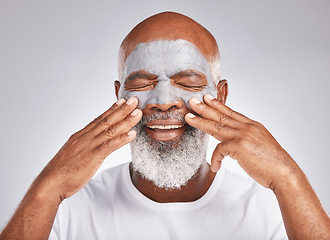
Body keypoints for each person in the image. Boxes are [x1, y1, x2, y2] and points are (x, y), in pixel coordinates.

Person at [1, 11, 329, 240]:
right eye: (142, 83)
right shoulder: (65, 208)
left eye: (187, 81)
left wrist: (289, 177)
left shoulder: (272, 210)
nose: (163, 100)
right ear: (119, 96)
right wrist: (48, 188)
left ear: (221, 95)